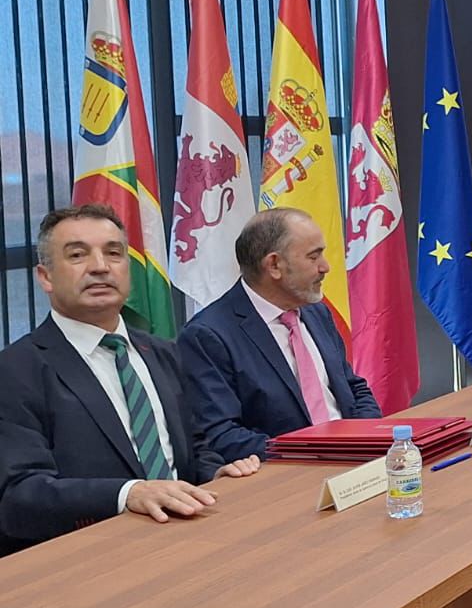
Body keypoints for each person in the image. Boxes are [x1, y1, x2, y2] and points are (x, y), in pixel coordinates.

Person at [0, 205, 258, 554]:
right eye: (77, 255)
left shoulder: (163, 352)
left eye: (113, 253)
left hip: (190, 540)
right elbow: (19, 496)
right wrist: (127, 494)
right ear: (45, 277)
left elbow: (192, 448)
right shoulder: (16, 370)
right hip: (93, 557)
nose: (100, 267)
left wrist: (217, 476)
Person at [181, 208, 380, 462]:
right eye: (313, 256)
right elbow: (221, 435)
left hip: (355, 463)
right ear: (274, 265)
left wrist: (365, 440)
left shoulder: (317, 313)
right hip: (286, 475)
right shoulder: (208, 335)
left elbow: (354, 388)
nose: (325, 267)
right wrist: (318, 454)